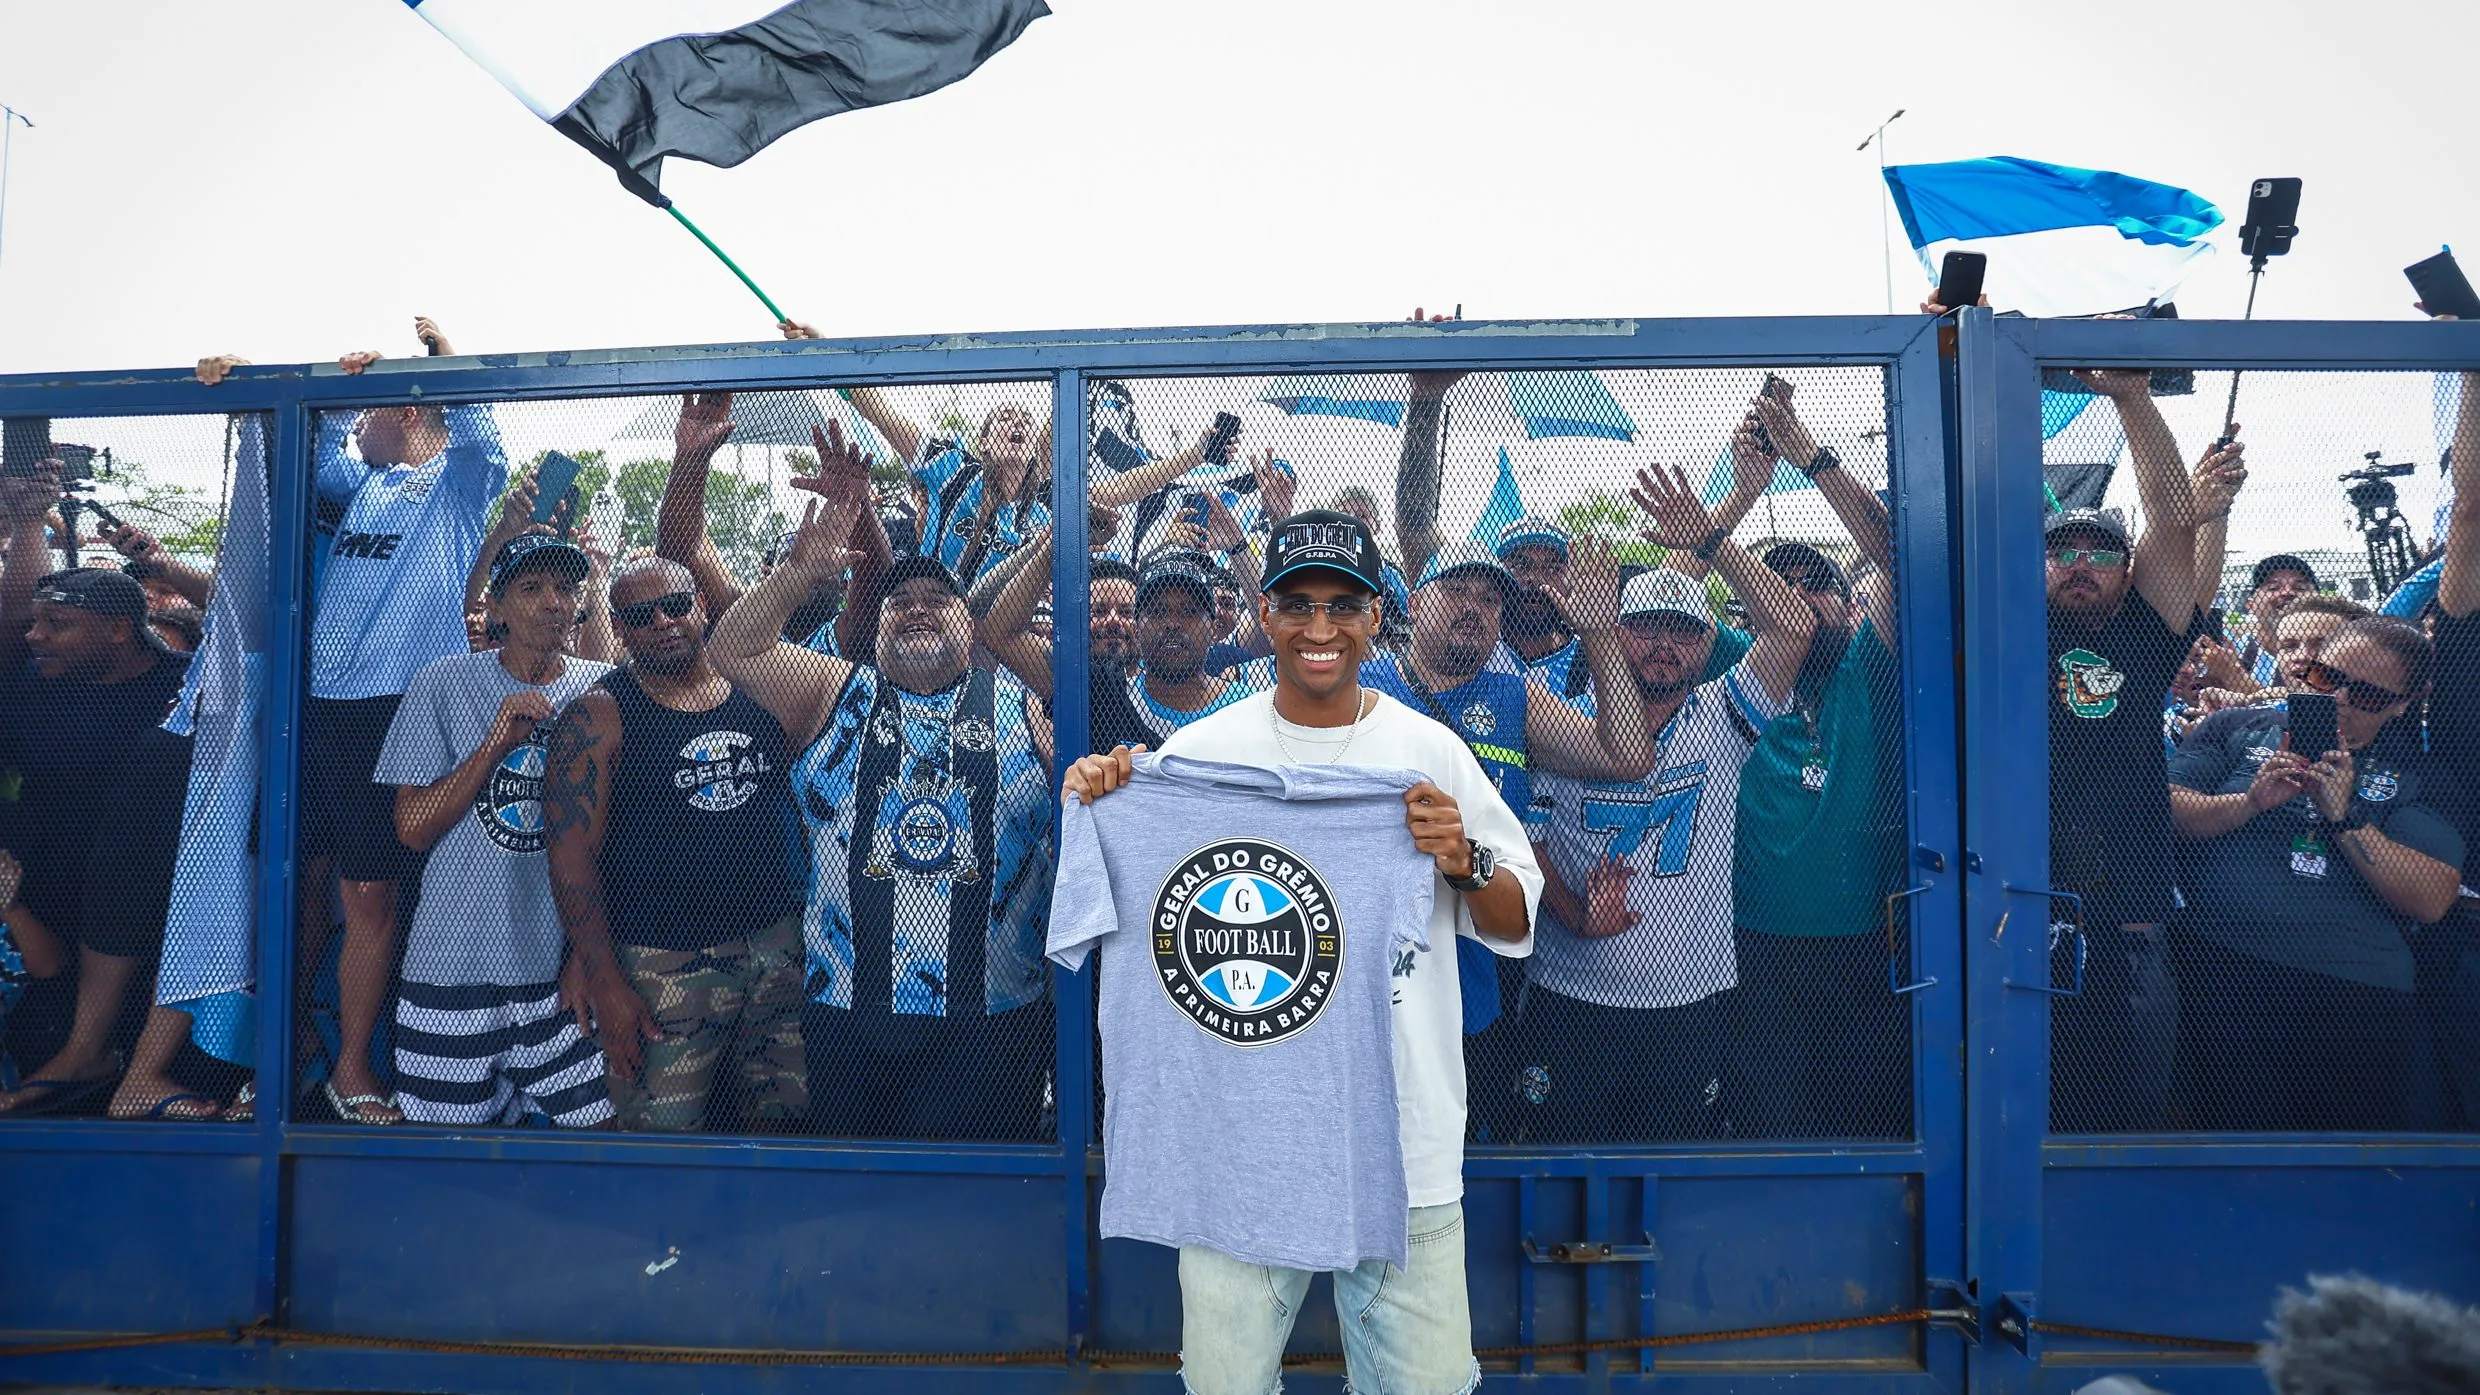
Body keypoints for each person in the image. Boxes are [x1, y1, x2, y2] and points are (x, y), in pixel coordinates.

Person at [1060, 507, 1543, 1395]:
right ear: (1266, 615)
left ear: (1374, 619)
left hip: (1405, 1144)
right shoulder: (1196, 756)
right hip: (1236, 1144)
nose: (1320, 629)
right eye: (1298, 605)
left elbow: (1514, 926)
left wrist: (1462, 860)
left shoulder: (1429, 752)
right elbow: (1117, 910)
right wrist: (1105, 796)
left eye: (1343, 606)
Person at [709, 441, 1058, 1140]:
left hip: (995, 1013)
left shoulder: (1028, 697)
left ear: (973, 628)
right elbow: (732, 651)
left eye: (939, 599)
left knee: (978, 1205)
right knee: (863, 1198)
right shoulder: (832, 690)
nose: (917, 608)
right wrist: (797, 572)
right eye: (900, 600)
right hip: (850, 1012)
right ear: (876, 626)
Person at [1521, 456, 1819, 1142]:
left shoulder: (1726, 714)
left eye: (1683, 631)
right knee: (1558, 1181)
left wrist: (1713, 536)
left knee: (1673, 1187)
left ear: (1708, 642)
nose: (1663, 645)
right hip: (1571, 996)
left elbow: (1794, 627)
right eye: (1645, 626)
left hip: (1687, 1004)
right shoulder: (1562, 718)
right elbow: (1528, 840)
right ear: (1615, 630)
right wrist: (1571, 912)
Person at [299, 319, 511, 1123]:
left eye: (373, 413)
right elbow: (316, 445)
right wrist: (346, 383)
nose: (358, 428)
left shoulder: (457, 487)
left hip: (406, 706)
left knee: (383, 893)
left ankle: (360, 1065)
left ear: (415, 414)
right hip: (330, 706)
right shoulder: (367, 488)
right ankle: (321, 1052)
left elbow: (482, 429)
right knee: (342, 885)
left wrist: (444, 360)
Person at [1688, 392, 1914, 1139]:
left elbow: (1895, 550)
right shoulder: (1732, 664)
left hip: (1859, 944)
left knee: (1859, 1125)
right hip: (1749, 944)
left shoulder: (1866, 664)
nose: (1794, 595)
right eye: (1776, 584)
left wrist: (1808, 454)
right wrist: (1744, 492)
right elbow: (1677, 589)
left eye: (1812, 581)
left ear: (1847, 602)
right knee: (1767, 1123)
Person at [540, 558, 808, 1132]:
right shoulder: (598, 715)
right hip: (664, 969)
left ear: (702, 607)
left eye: (676, 605)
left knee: (783, 1131)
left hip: (773, 953)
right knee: (662, 1142)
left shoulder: (757, 695)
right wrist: (604, 979)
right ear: (618, 627)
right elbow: (569, 857)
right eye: (639, 615)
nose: (662, 621)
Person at [2168, 616, 2459, 1130]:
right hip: (2221, 966)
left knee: (2343, 1166)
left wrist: (2346, 819)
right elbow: (2162, 810)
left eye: (2367, 694)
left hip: (2353, 992)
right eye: (2327, 678)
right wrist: (2249, 802)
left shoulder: (2418, 770)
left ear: (2403, 704)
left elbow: (2433, 898)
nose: (2341, 699)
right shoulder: (2241, 726)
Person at [374, 534, 615, 1128]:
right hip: (450, 976)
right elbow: (411, 829)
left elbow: (621, 840)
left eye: (564, 587)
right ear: (497, 608)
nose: (553, 601)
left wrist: (587, 959)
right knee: (448, 1164)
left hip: (559, 982)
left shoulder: (606, 689)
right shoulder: (444, 682)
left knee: (601, 1141)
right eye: (531, 588)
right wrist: (493, 745)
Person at [2039, 363, 2205, 1134]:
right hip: (2013, 923)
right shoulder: (2007, 632)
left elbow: (2175, 524)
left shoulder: (2143, 643)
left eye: (2100, 552)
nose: (2080, 563)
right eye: (2062, 551)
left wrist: (2133, 399)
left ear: (2126, 571)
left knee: (2119, 1132)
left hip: (2124, 934)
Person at [0, 504, 192, 1116]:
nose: (36, 637)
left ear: (116, 630)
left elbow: (266, 627)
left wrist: (159, 563)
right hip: (42, 896)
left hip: (157, 900)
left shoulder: (187, 685)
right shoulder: (29, 685)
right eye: (35, 623)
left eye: (58, 624)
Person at [659, 391, 886, 657]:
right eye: (794, 557)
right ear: (767, 574)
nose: (810, 561)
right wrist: (691, 460)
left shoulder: (848, 636)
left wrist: (855, 502)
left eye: (825, 561)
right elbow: (678, 557)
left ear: (844, 587)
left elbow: (877, 583)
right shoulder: (740, 618)